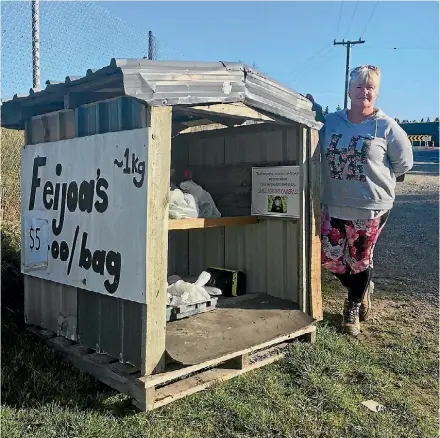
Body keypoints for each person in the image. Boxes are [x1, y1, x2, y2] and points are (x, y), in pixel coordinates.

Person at [306, 65, 413, 336]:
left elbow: (403, 164)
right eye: (359, 86)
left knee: (360, 260)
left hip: (370, 207)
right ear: (349, 89)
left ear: (376, 92)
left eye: (370, 87)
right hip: (331, 202)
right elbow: (311, 122)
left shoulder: (387, 127)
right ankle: (363, 287)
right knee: (329, 258)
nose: (364, 91)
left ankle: (353, 307)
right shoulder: (331, 122)